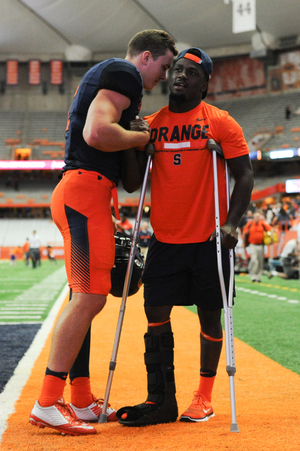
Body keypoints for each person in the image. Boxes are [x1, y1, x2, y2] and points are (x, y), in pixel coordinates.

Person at [29, 29, 177, 436]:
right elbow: (96, 134)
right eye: (164, 66)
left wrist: (133, 139)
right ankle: (46, 402)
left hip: (86, 192)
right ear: (146, 56)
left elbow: (127, 176)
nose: (164, 76)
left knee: (85, 297)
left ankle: (80, 397)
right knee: (90, 299)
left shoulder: (113, 81)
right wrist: (140, 136)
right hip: (85, 193)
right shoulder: (123, 73)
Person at [116, 47, 254, 426]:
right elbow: (131, 183)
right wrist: (134, 143)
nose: (180, 76)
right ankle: (161, 398)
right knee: (155, 312)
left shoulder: (221, 123)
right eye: (176, 69)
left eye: (191, 73)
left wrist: (232, 224)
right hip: (165, 239)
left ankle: (204, 397)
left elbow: (244, 175)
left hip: (210, 239)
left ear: (205, 83)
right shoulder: (152, 123)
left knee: (210, 318)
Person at [243, 212, 272, 282]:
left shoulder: (262, 224)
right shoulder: (250, 224)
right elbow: (244, 233)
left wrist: (271, 238)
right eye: (256, 217)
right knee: (254, 260)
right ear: (254, 217)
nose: (257, 218)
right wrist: (244, 243)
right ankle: (253, 276)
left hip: (261, 245)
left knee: (260, 261)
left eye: (258, 217)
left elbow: (270, 230)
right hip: (252, 245)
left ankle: (258, 277)